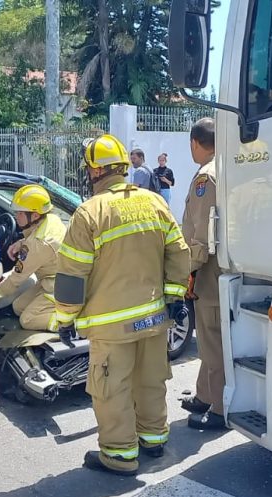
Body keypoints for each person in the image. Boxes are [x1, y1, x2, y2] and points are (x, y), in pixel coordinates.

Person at [54, 134, 191, 475]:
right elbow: (178, 252)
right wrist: (174, 298)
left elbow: (72, 274)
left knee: (112, 387)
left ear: (93, 171)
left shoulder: (89, 213)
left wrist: (65, 318)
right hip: (155, 317)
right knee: (151, 379)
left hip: (112, 325)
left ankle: (119, 455)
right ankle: (154, 439)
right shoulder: (154, 203)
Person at [180, 117, 227, 431]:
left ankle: (221, 409)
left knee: (212, 343)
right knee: (210, 341)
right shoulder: (223, 169)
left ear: (197, 143)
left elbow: (201, 235)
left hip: (207, 271)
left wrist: (186, 271)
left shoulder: (205, 179)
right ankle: (203, 395)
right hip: (220, 267)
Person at [0, 184, 66, 331]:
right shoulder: (50, 219)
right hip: (53, 279)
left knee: (28, 320)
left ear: (35, 215)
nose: (16, 216)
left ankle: (69, 324)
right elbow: (36, 239)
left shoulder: (39, 244)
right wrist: (21, 243)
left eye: (20, 213)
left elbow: (15, 280)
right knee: (18, 307)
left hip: (59, 287)